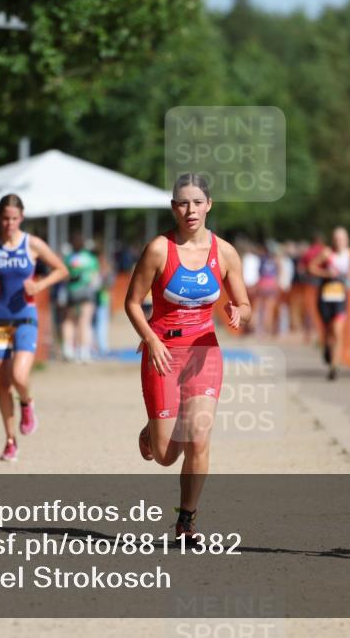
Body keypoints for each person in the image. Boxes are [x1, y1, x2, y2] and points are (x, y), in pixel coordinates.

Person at [124, 173, 251, 540]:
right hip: (163, 352)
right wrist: (150, 339)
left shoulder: (224, 252)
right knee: (165, 455)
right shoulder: (159, 250)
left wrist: (240, 312)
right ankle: (151, 433)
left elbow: (244, 303)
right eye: (182, 202)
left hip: (204, 351)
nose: (190, 209)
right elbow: (132, 303)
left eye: (197, 202)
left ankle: (187, 521)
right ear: (173, 208)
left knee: (199, 435)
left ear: (209, 205)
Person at [0, 194, 69, 461]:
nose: (9, 223)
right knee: (3, 384)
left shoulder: (32, 244)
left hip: (25, 317)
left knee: (19, 377)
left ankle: (27, 402)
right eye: (5, 218)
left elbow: (61, 269)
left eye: (14, 218)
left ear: (21, 218)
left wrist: (39, 285)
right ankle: (10, 440)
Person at [309, 227, 350, 380]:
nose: (339, 241)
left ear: (347, 240)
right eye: (336, 239)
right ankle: (327, 349)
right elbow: (311, 267)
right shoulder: (326, 253)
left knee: (337, 331)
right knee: (329, 331)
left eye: (342, 239)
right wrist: (326, 273)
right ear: (333, 240)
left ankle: (334, 367)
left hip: (340, 298)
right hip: (325, 297)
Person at [61, 232, 101, 363]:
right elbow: (96, 277)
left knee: (69, 321)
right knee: (85, 321)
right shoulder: (91, 258)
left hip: (72, 291)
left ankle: (68, 349)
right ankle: (84, 351)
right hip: (87, 292)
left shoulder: (69, 258)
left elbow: (65, 275)